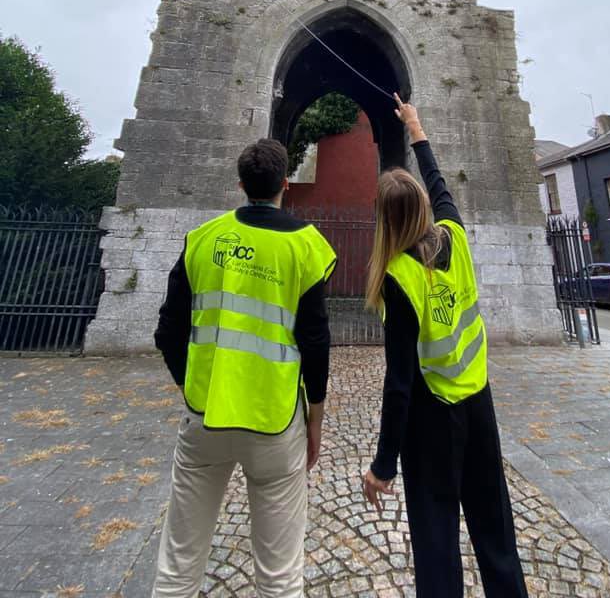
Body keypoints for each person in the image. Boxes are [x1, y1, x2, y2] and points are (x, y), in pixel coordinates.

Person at [153, 138, 336, 598]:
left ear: (240, 184)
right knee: (279, 575)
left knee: (179, 564)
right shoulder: (306, 245)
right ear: (285, 184)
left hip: (205, 413)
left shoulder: (202, 239)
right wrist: (315, 418)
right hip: (274, 419)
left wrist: (190, 387)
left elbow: (167, 331)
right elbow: (315, 342)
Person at [362, 94, 528, 598]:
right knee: (494, 522)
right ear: (425, 209)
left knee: (435, 534)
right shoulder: (455, 235)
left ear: (385, 221)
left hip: (432, 416)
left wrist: (383, 463)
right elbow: (439, 182)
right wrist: (417, 129)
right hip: (478, 401)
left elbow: (401, 380)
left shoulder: (396, 276)